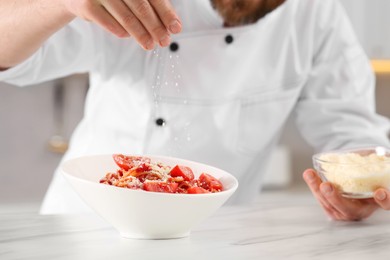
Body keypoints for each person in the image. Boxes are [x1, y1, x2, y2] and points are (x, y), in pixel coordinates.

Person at [1, 0, 390, 221]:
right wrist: (59, 3)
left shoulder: (315, 14)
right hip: (86, 227)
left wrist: (356, 190)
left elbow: (350, 130)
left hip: (216, 235)